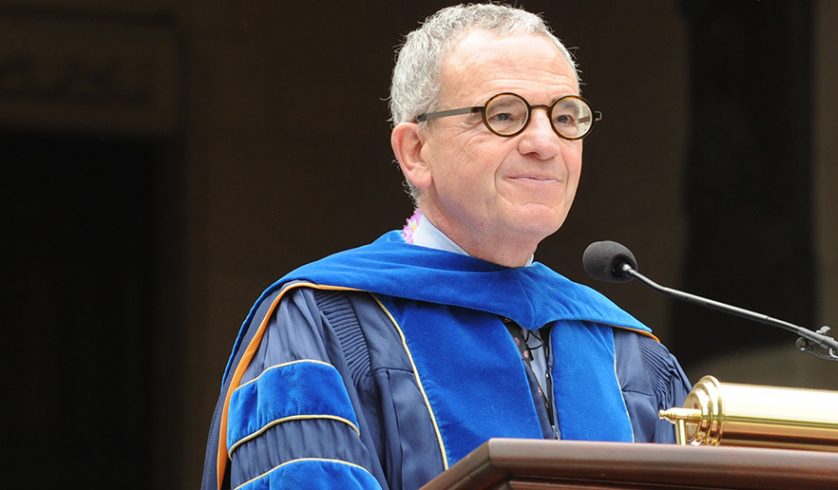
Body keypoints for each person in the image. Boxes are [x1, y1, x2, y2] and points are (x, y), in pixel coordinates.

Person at [201, 4, 690, 489]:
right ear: (416, 151)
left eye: (565, 117)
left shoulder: (631, 354)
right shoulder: (322, 322)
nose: (545, 142)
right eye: (504, 114)